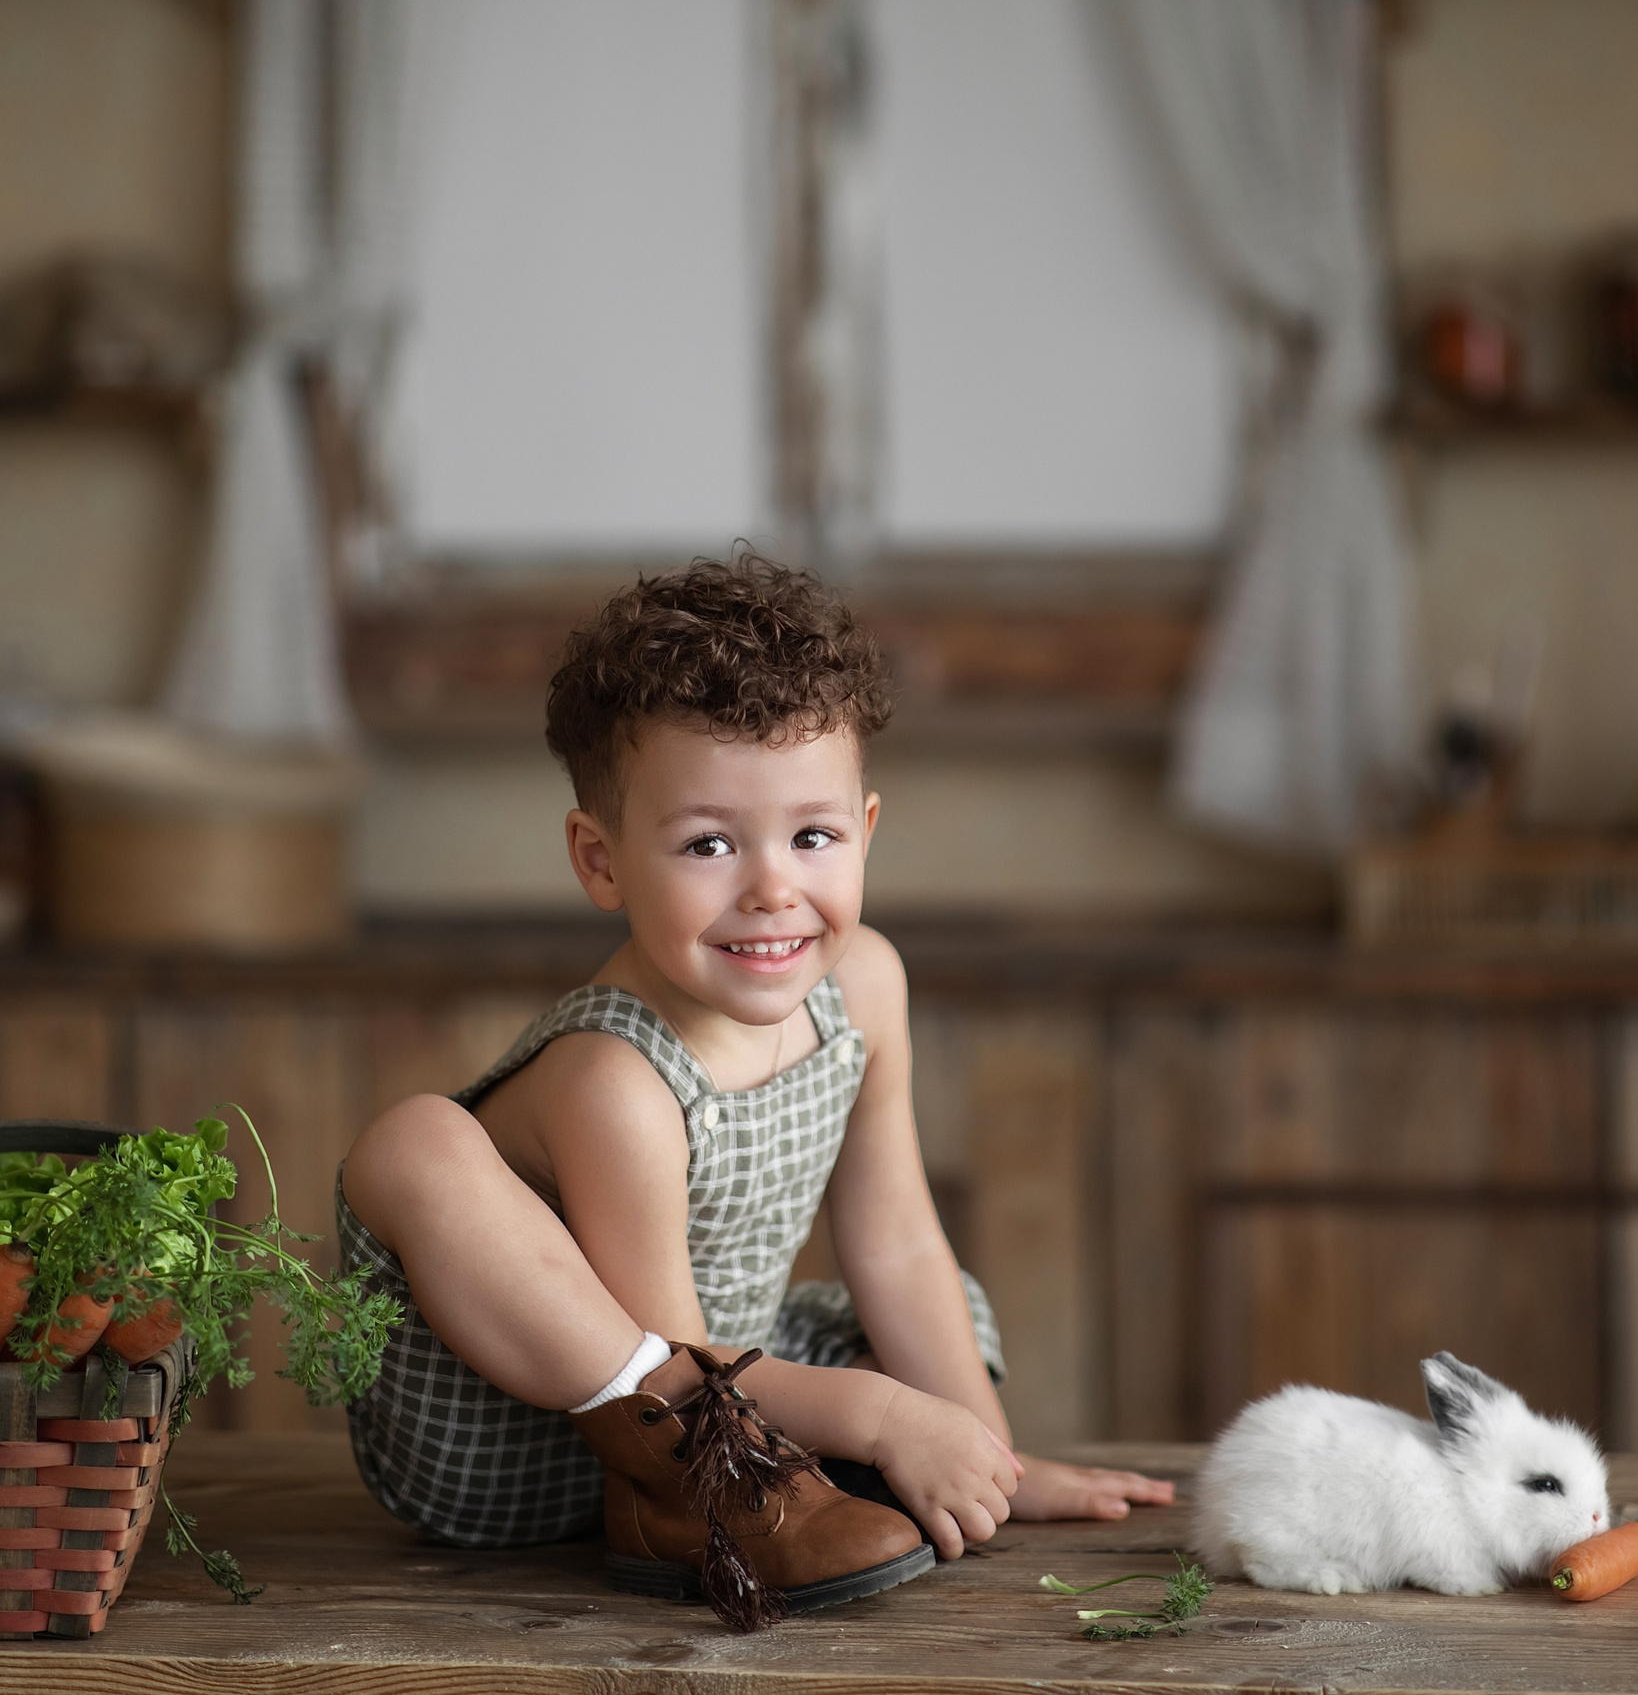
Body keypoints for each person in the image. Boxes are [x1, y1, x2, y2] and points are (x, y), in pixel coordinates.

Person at [337, 554, 1173, 1629]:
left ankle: (829, 1485)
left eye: (812, 835)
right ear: (601, 860)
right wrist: (879, 1414)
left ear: (866, 829)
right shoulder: (618, 1079)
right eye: (708, 843)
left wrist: (985, 1457)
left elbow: (895, 1242)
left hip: (742, 1401)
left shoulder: (864, 986)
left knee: (925, 1305)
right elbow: (672, 1360)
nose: (773, 886)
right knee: (415, 1139)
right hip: (548, 1443)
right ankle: (748, 1492)